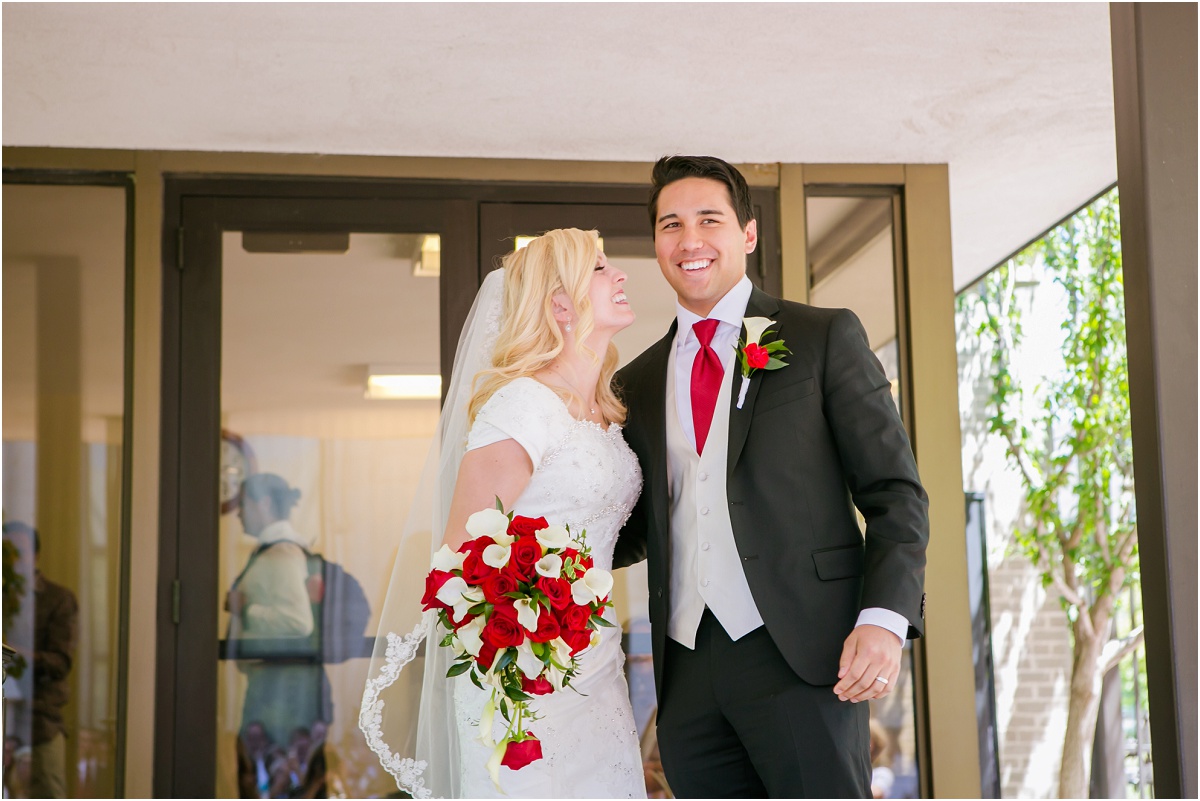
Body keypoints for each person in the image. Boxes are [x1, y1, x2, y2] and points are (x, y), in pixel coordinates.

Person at [614, 155, 929, 798]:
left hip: (806, 655)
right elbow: (642, 522)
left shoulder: (821, 337)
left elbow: (894, 492)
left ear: (748, 234)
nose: (690, 240)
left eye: (709, 220)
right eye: (671, 225)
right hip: (685, 674)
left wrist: (885, 617)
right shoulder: (637, 381)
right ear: (656, 243)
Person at [360, 228, 646, 798]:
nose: (619, 276)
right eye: (598, 268)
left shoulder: (606, 411)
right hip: (524, 677)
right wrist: (536, 636)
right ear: (559, 304)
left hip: (597, 667)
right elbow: (461, 563)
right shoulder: (522, 404)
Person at [226, 474, 332, 790]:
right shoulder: (276, 550)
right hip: (282, 693)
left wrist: (244, 608)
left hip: (281, 700)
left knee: (277, 783)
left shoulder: (281, 553)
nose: (237, 512)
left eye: (243, 503)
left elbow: (297, 622)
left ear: (265, 504)